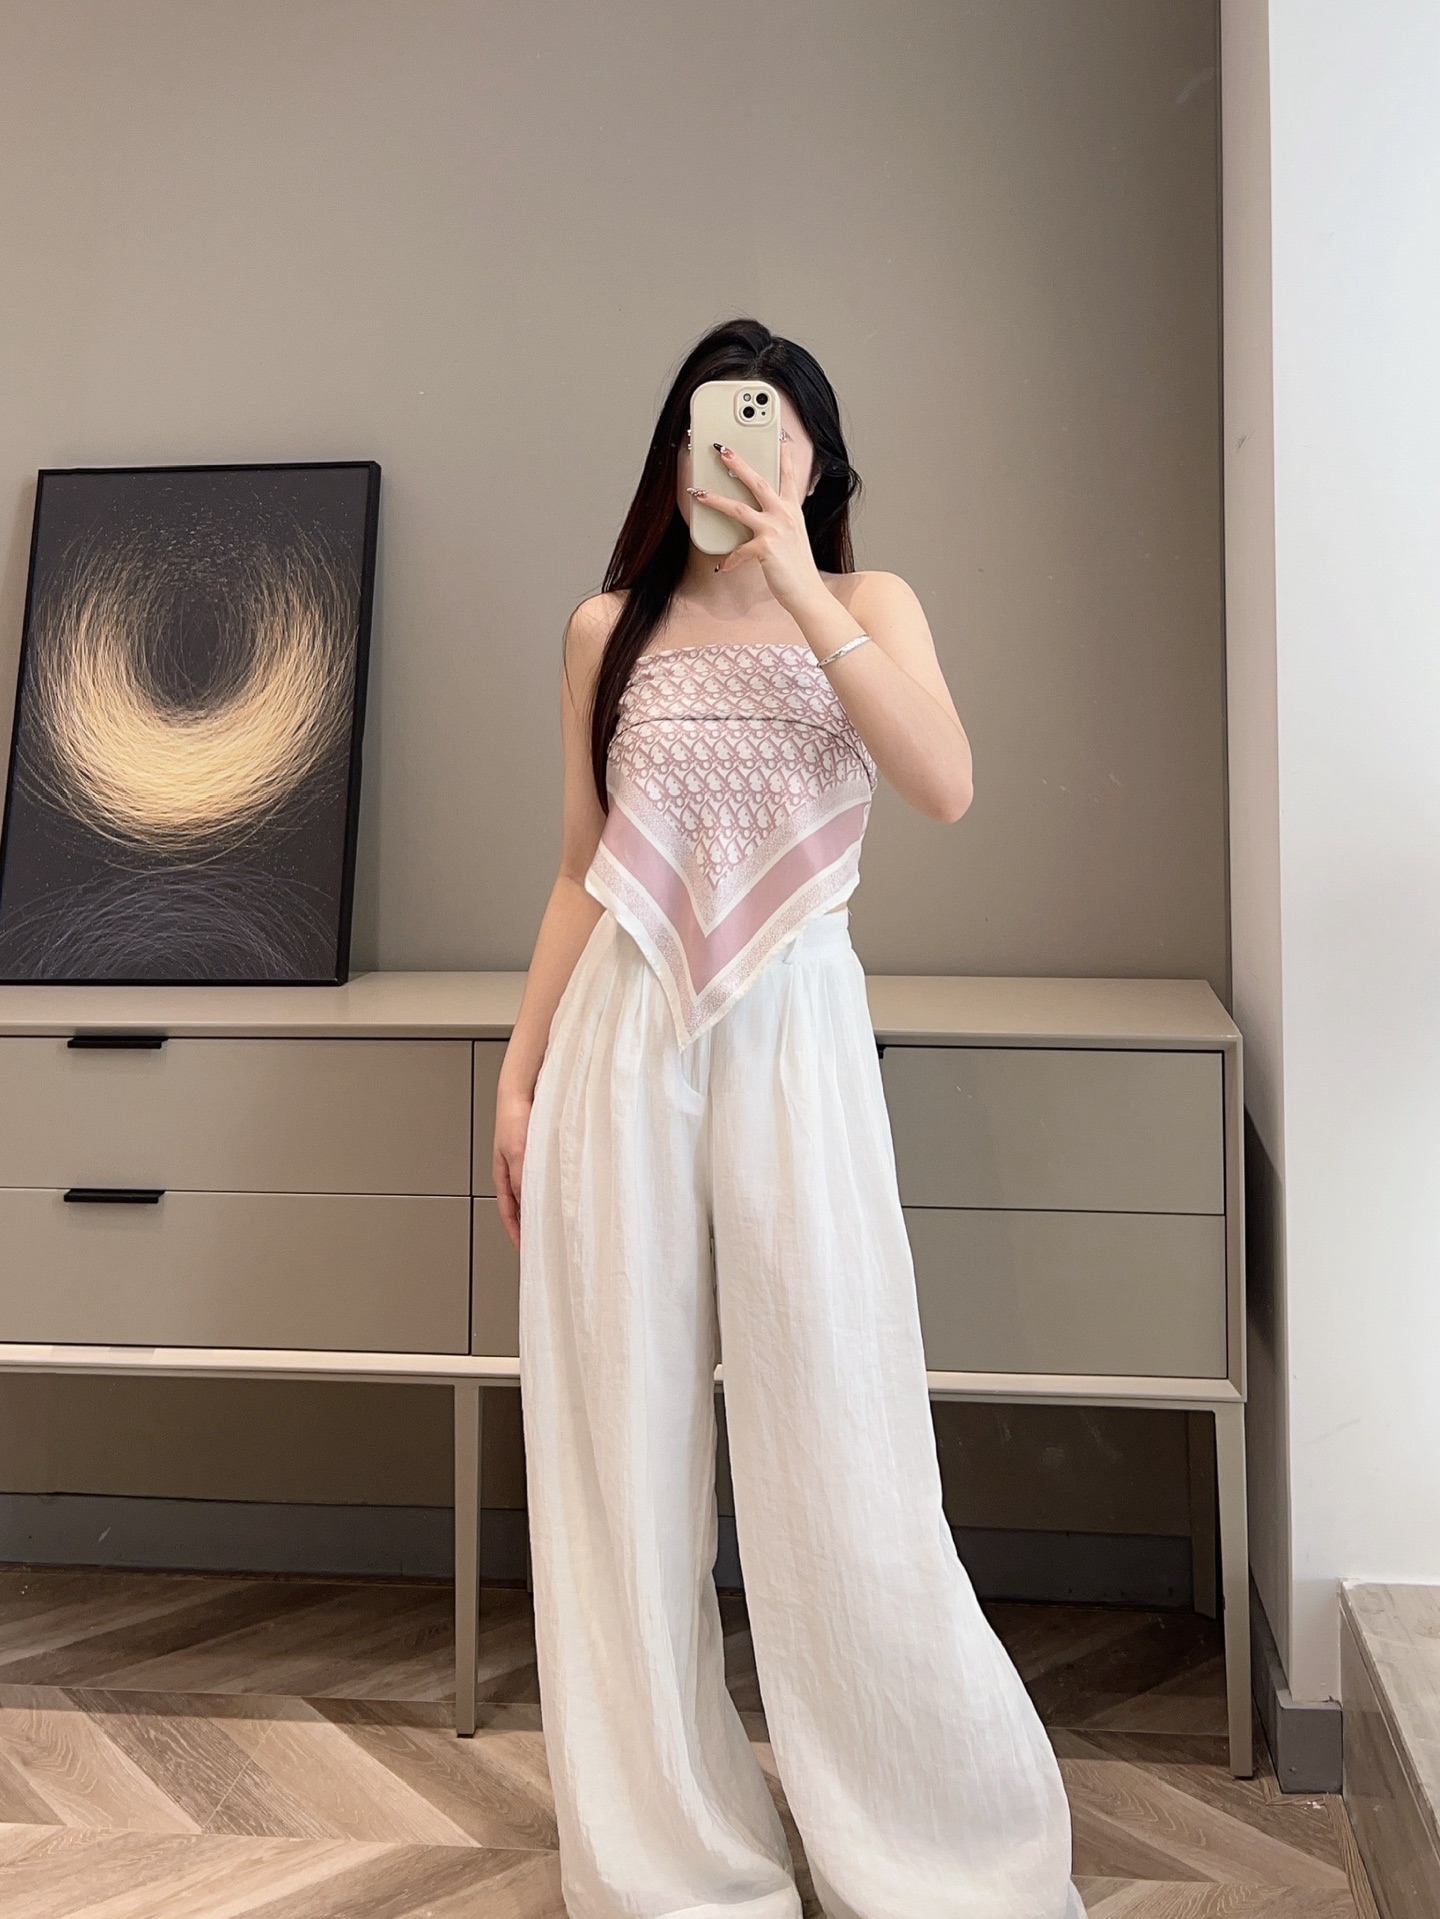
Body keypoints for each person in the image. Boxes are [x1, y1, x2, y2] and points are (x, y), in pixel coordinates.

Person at [493, 317, 1085, 1919]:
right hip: (619, 1042)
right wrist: (520, 1071)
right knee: (619, 1454)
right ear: (677, 449)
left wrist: (802, 585)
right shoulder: (606, 629)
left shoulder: (872, 605)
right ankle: (674, 1865)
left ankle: (930, 1849)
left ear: (815, 455)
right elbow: (580, 867)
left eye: (776, 426)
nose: (747, 451)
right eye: (718, 424)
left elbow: (946, 781)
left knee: (843, 1434)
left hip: (797, 1044)